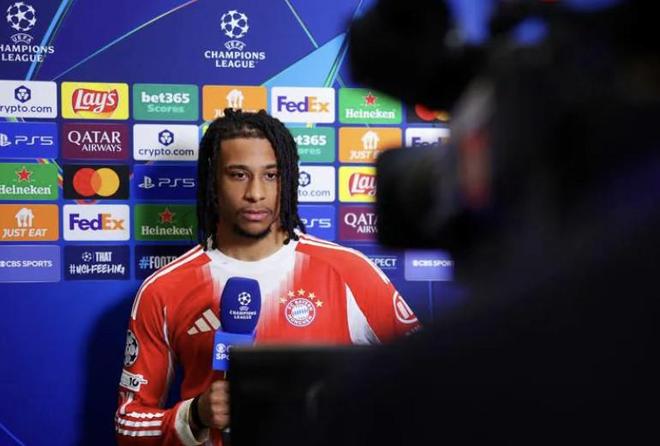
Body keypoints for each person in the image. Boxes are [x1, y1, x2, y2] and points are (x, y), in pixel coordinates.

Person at [114, 109, 421, 445]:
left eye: (271, 175)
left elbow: (428, 375)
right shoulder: (164, 289)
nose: (256, 193)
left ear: (287, 179)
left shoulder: (349, 271)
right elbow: (128, 424)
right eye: (238, 175)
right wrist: (196, 414)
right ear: (213, 182)